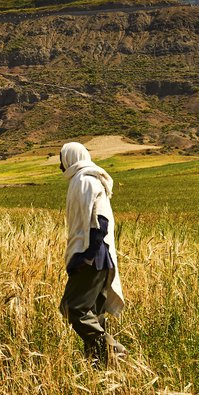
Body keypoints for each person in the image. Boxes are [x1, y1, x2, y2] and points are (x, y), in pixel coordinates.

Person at [58, 142, 126, 366]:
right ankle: (100, 364)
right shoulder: (81, 180)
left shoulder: (86, 181)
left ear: (71, 158)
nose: (60, 166)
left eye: (62, 159)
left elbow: (100, 221)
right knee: (93, 313)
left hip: (93, 257)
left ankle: (113, 351)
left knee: (73, 308)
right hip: (95, 255)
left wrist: (86, 256)